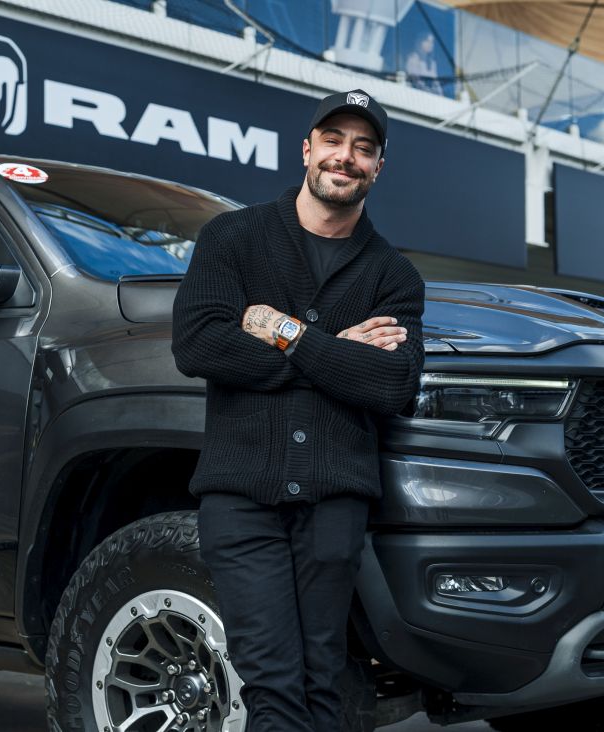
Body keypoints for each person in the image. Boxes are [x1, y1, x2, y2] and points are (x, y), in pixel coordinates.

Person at [171, 89, 425, 731]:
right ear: (307, 149)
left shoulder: (394, 275)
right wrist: (338, 354)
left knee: (322, 685)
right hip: (242, 498)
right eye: (333, 141)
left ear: (378, 167)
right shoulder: (232, 237)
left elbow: (392, 385)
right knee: (275, 685)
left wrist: (285, 331)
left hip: (335, 506)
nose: (346, 157)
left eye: (363, 148)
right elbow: (199, 344)